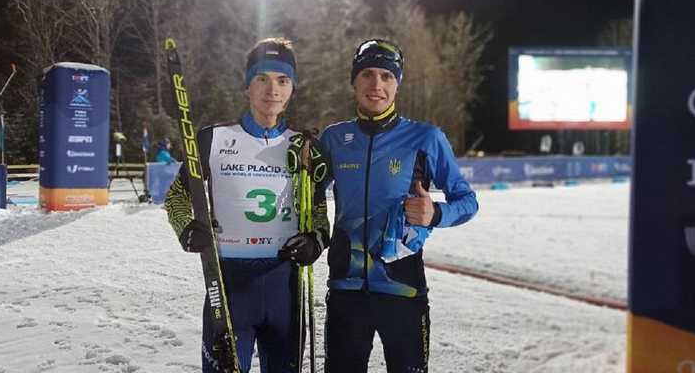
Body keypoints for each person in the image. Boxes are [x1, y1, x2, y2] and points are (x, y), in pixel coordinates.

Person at [164, 37, 328, 373]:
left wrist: (315, 241)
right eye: (262, 78)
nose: (272, 90)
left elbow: (320, 214)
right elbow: (177, 196)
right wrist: (186, 228)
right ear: (247, 85)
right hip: (228, 287)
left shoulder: (304, 147)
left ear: (292, 88)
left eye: (283, 80)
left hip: (285, 286)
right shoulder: (213, 139)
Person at [316, 38, 479, 373]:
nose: (376, 85)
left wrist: (436, 213)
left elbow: (467, 201)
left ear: (397, 84)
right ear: (354, 82)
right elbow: (311, 194)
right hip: (346, 290)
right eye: (367, 75)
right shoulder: (334, 139)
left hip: (403, 290)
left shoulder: (425, 138)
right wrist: (314, 233)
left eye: (386, 76)